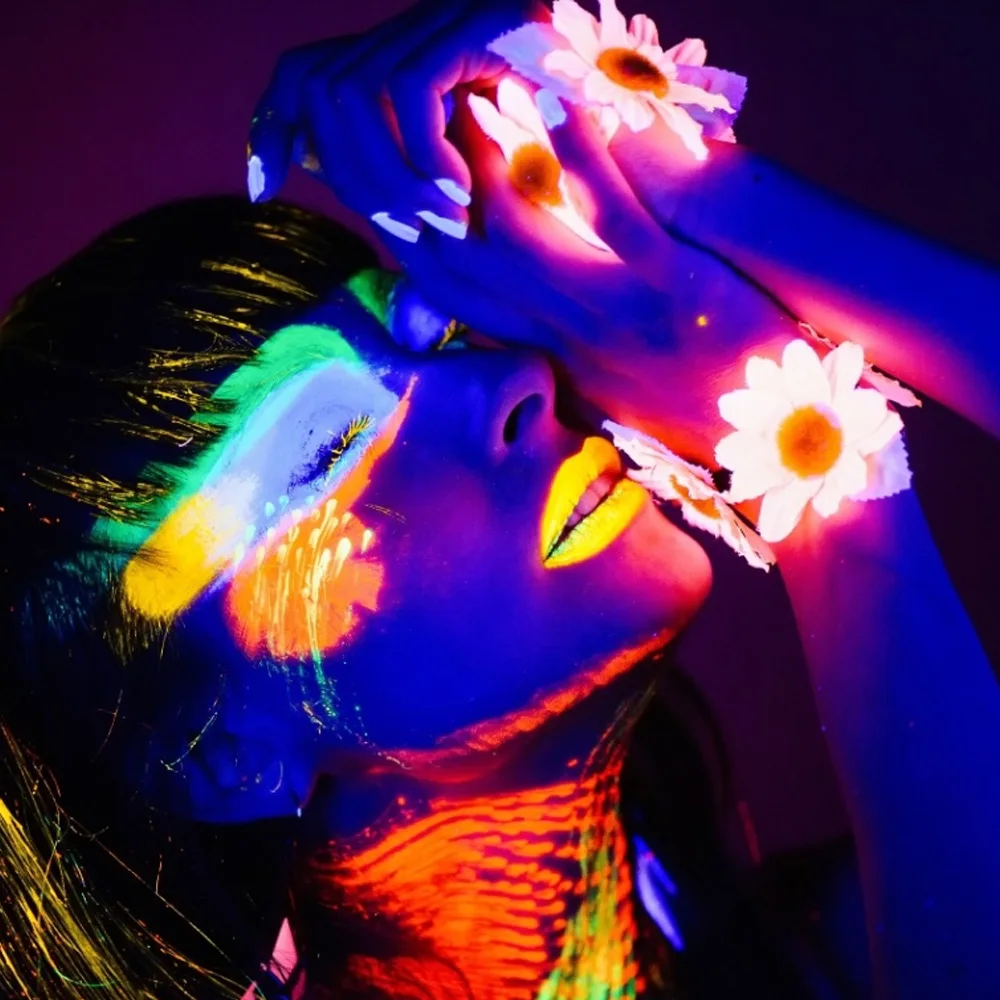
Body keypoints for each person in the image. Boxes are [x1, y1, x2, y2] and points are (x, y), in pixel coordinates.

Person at [1, 4, 999, 1000]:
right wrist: (821, 472)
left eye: (437, 336)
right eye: (324, 448)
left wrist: (678, 181)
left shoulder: (798, 949)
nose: (511, 377)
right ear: (218, 750)